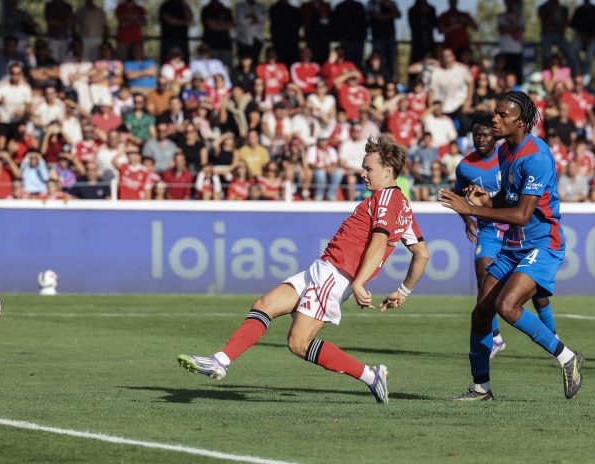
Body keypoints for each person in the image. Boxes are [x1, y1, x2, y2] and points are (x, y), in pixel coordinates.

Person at [177, 135, 430, 404]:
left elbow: (379, 242)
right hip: (323, 268)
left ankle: (370, 376)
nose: (363, 173)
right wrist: (403, 291)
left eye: (369, 168)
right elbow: (422, 254)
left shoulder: (387, 198)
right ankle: (220, 360)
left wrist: (359, 282)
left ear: (388, 171)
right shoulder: (401, 205)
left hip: (336, 275)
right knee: (265, 304)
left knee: (298, 343)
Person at [438, 91, 584, 401]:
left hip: (543, 245)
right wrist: (487, 200)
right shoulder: (506, 151)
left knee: (507, 306)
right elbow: (511, 198)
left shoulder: (538, 157)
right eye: (495, 112)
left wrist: (471, 209)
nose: (495, 118)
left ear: (521, 121)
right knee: (481, 313)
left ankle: (567, 356)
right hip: (514, 245)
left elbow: (522, 214)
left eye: (502, 115)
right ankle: (481, 389)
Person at [452, 112, 558, 358]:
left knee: (536, 297)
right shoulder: (466, 165)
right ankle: (494, 344)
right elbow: (491, 196)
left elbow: (521, 212)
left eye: (485, 134)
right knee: (484, 285)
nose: (480, 138)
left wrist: (473, 209)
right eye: (476, 134)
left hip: (526, 233)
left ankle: (556, 343)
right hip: (492, 229)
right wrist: (471, 215)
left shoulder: (532, 155)